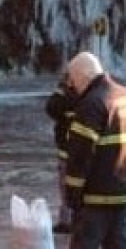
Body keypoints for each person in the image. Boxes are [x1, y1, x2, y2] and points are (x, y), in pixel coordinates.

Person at [41, 51, 126, 249]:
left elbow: (80, 155)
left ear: (81, 77)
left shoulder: (92, 104)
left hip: (98, 191)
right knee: (119, 246)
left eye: (72, 81)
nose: (71, 86)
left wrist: (73, 193)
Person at [43, 74, 78, 233]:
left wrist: (63, 88)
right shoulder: (93, 95)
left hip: (69, 150)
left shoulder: (66, 97)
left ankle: (68, 221)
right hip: (81, 149)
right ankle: (71, 220)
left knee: (67, 186)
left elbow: (51, 107)